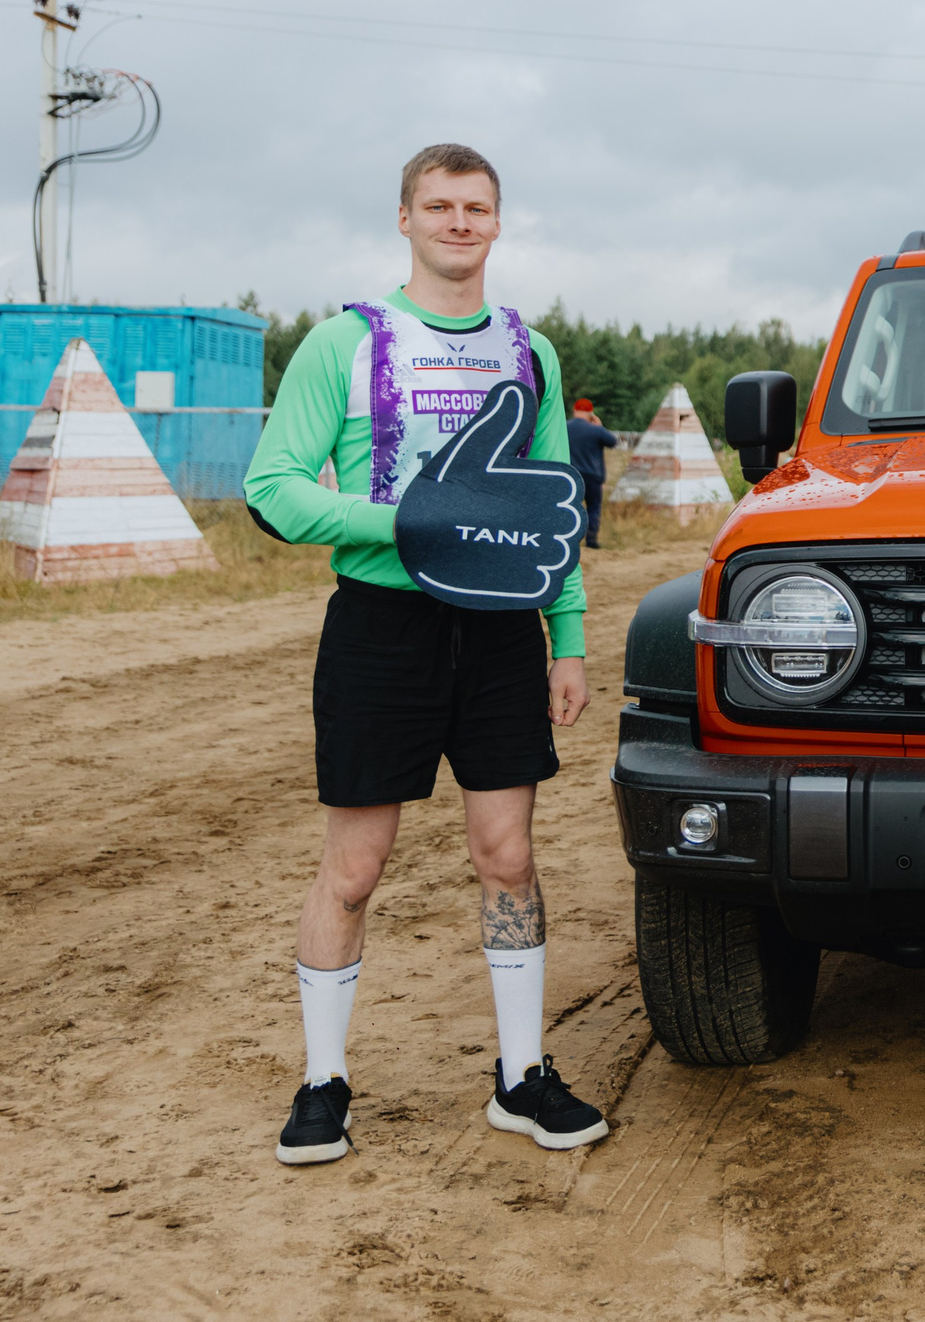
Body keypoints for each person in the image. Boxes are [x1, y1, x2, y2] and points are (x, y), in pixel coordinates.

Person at [245, 142, 610, 1167]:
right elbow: (273, 484)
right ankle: (322, 1082)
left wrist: (568, 638)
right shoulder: (343, 342)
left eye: (476, 206)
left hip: (499, 634)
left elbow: (552, 516)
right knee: (354, 869)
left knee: (509, 853)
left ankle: (521, 1075)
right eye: (439, 205)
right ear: (403, 218)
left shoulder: (529, 350)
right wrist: (400, 516)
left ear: (497, 222)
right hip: (380, 626)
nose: (459, 222)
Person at [567, 400, 619, 548]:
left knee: (570, 507)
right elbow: (612, 442)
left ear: (574, 410)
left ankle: (569, 540)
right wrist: (600, 427)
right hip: (593, 476)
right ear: (591, 413)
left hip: (572, 475)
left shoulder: (565, 427)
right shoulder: (595, 430)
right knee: (593, 508)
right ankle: (591, 540)